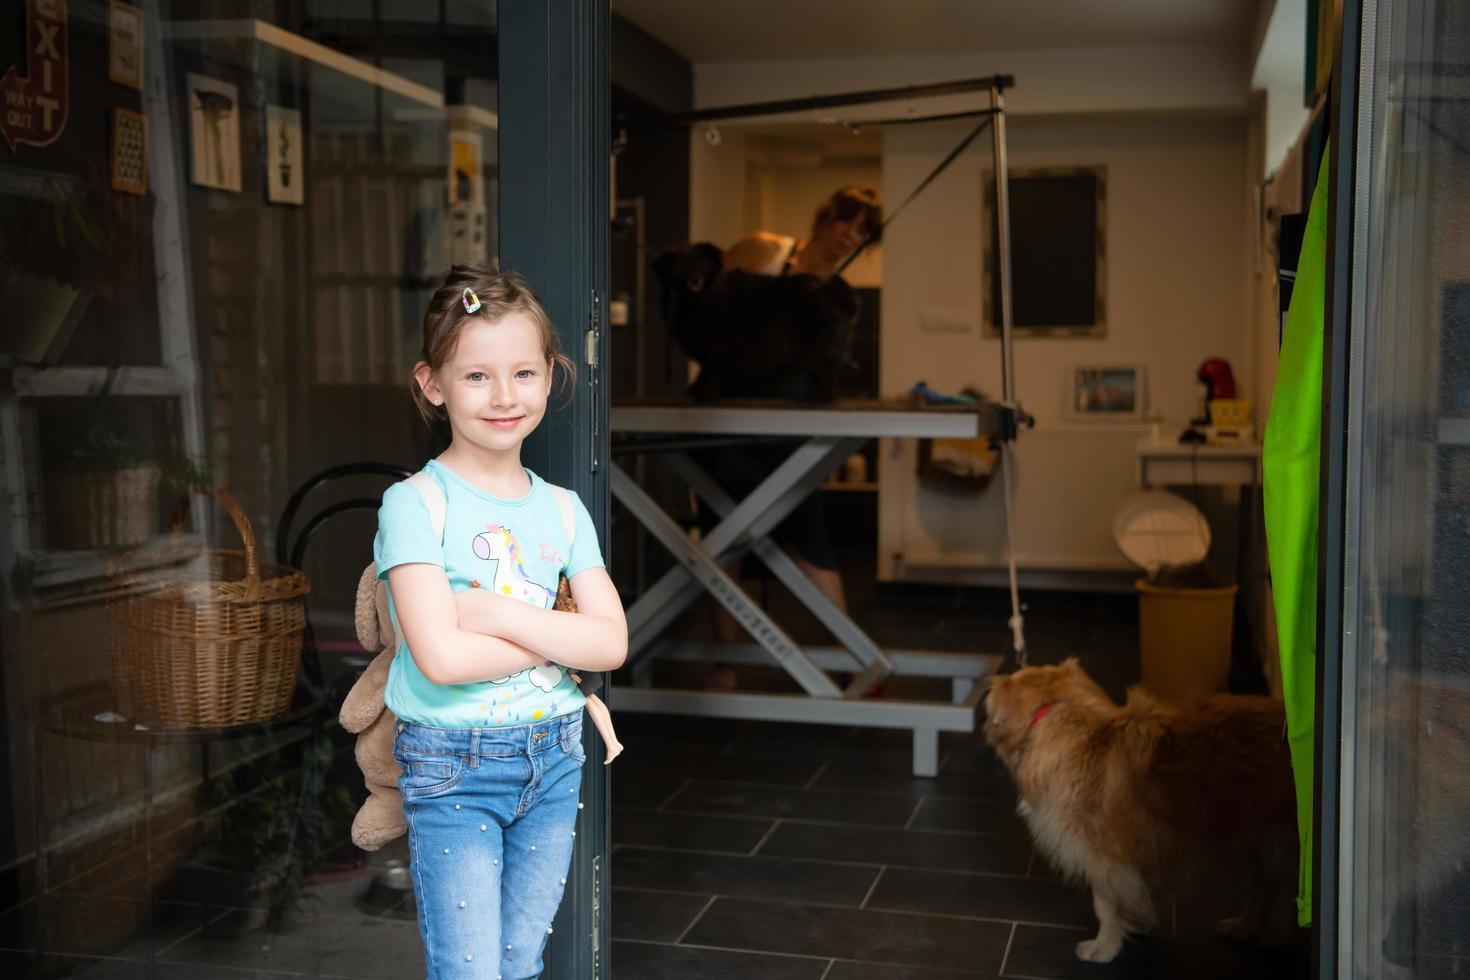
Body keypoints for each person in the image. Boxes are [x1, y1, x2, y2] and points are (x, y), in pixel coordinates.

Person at [374, 266, 627, 979]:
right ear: (433, 384)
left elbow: (611, 642)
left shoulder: (563, 510)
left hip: (553, 758)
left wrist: (491, 613)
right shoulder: (416, 506)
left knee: (519, 964)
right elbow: (442, 661)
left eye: (523, 371)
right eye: (477, 376)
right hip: (454, 765)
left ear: (550, 376)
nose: (505, 396)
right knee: (472, 972)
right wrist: (551, 634)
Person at [699, 186, 881, 671]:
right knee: (722, 539)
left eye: (864, 233)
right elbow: (707, 318)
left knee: (809, 534)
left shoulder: (836, 297)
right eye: (849, 222)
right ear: (826, 216)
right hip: (724, 423)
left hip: (785, 435)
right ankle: (725, 661)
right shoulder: (763, 249)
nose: (852, 237)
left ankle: (851, 660)